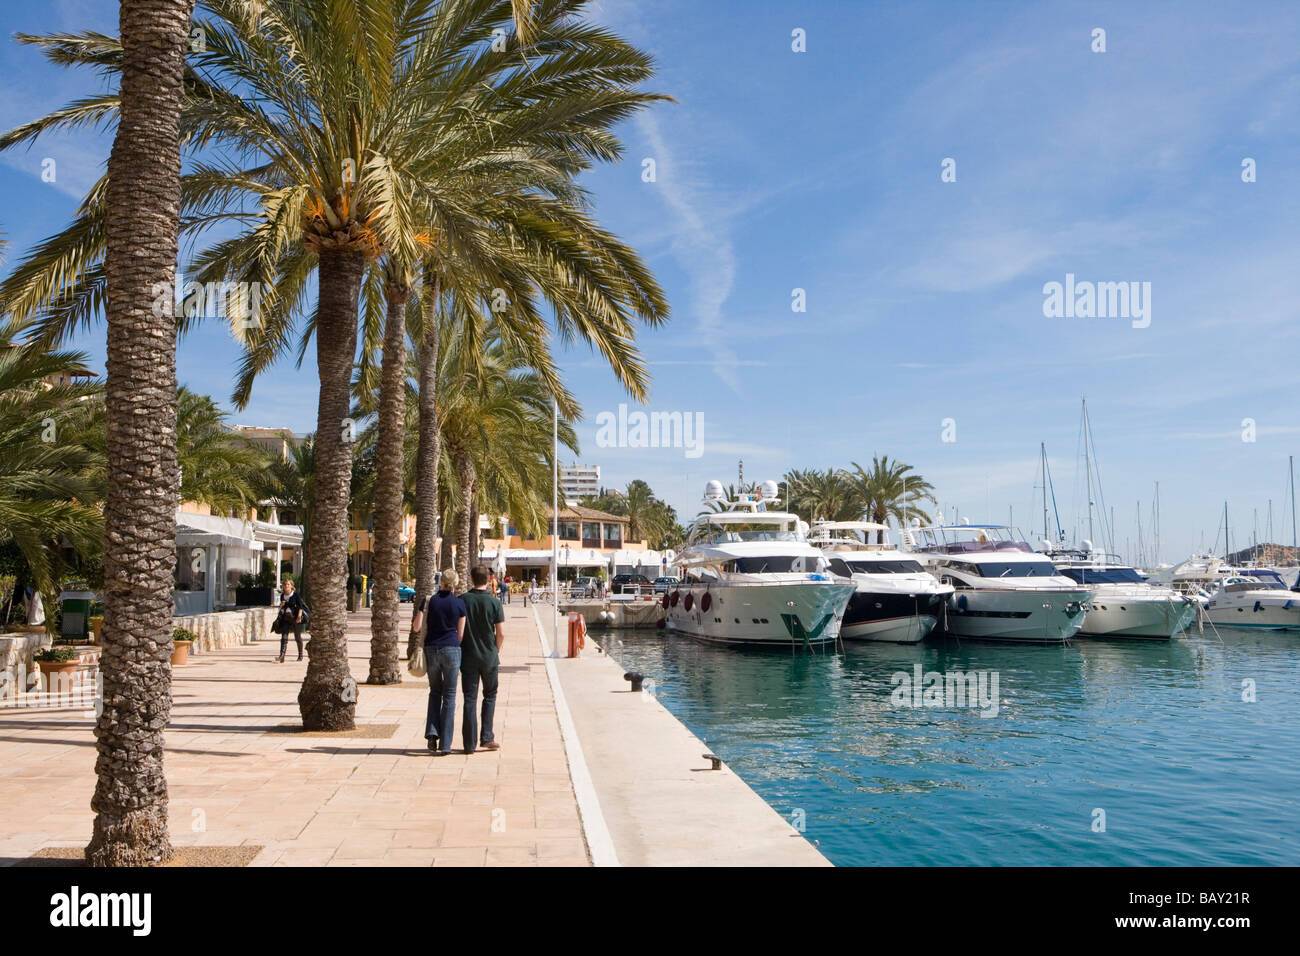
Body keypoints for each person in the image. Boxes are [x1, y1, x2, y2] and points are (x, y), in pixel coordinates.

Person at [410, 569, 465, 754]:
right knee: (449, 696)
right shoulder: (459, 604)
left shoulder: (428, 601)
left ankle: (432, 734)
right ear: (455, 584)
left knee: (435, 692)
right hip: (451, 649)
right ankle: (446, 744)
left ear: (441, 582)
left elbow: (417, 627)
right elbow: (460, 634)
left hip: (431, 649)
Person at [460, 566, 505, 754]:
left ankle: (469, 744)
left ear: (471, 578)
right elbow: (501, 633)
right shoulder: (494, 602)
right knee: (490, 696)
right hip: (489, 658)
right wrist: (496, 651)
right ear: (488, 579)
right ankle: (487, 737)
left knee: (470, 698)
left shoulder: (462, 600)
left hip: (468, 656)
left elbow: (458, 631)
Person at [275, 578, 305, 662]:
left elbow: (300, 606)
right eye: (285, 585)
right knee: (284, 637)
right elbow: (281, 608)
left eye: (288, 584)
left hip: (295, 618)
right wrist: (281, 605)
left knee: (297, 637)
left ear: (291, 586)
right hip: (286, 618)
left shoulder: (295, 595)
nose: (286, 586)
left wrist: (299, 616)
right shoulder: (282, 596)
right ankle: (282, 656)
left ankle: (300, 655)